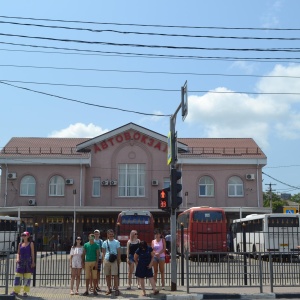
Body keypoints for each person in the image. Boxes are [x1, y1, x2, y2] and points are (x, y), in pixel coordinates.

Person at [11, 231, 35, 297]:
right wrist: (17, 258)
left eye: (24, 235)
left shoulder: (31, 244)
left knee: (27, 278)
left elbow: (32, 253)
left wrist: (33, 262)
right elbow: (18, 253)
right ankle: (16, 291)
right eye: (22, 235)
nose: (23, 236)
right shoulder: (20, 244)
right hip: (21, 262)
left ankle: (25, 292)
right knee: (17, 276)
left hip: (28, 262)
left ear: (28, 236)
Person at [102, 229, 121, 296]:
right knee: (107, 275)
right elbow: (103, 252)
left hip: (114, 260)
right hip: (107, 260)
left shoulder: (117, 242)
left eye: (112, 234)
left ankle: (116, 289)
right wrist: (103, 260)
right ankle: (108, 288)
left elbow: (118, 252)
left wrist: (119, 260)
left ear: (113, 234)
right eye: (110, 234)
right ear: (107, 235)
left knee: (115, 275)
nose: (111, 235)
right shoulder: (104, 242)